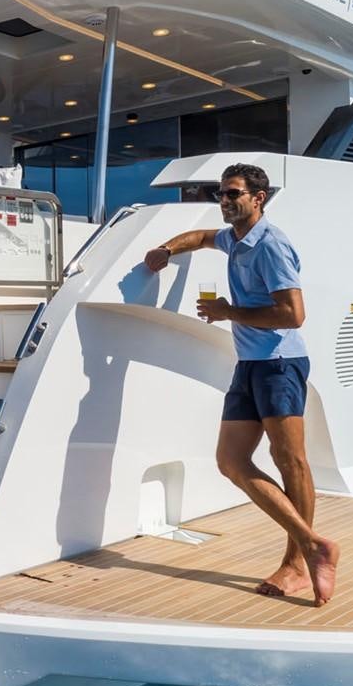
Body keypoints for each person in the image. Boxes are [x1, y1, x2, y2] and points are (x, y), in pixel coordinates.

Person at [143, 163, 339, 606]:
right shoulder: (234, 238)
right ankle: (314, 544)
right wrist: (165, 250)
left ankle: (297, 564)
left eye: (234, 194)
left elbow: (293, 314)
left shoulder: (271, 246)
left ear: (259, 197)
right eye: (221, 195)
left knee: (292, 463)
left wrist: (229, 313)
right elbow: (200, 237)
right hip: (250, 364)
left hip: (280, 362)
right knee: (231, 461)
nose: (226, 201)